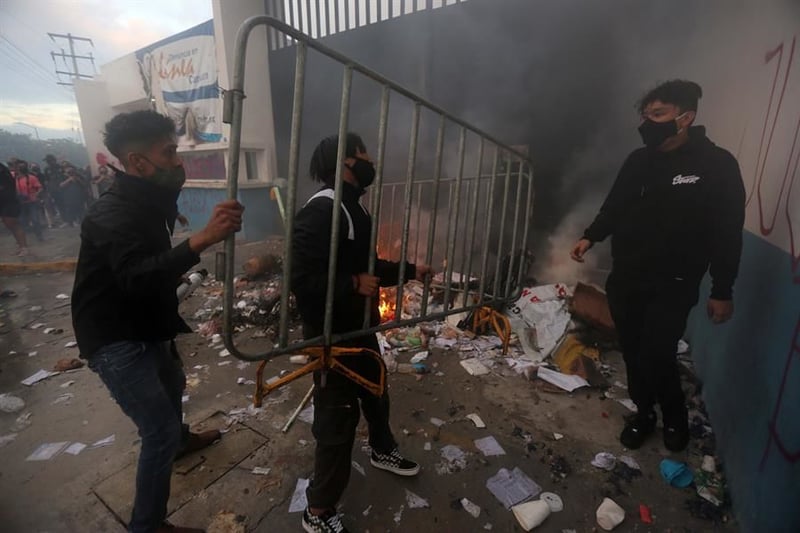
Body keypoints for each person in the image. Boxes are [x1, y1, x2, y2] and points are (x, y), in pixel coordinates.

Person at [71, 109, 245, 533]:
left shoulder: (148, 196)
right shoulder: (109, 213)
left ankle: (181, 442)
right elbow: (135, 275)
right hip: (113, 337)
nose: (178, 162)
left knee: (175, 385)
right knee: (157, 430)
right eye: (170, 153)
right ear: (138, 163)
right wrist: (201, 239)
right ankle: (146, 525)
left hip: (147, 322)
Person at [569, 80, 745, 452]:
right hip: (627, 277)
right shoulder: (638, 161)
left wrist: (722, 290)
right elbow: (614, 205)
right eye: (646, 115)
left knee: (657, 352)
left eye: (659, 114)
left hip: (675, 282)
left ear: (686, 117)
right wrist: (591, 236)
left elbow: (727, 233)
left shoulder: (717, 166)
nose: (648, 122)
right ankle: (643, 412)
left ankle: (675, 416)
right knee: (633, 350)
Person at [291, 133, 431, 533]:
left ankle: (382, 450)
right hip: (330, 335)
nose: (371, 160)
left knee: (376, 390)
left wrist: (408, 270)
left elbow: (370, 265)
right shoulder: (321, 211)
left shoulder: (356, 210)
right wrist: (352, 284)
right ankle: (317, 511)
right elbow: (301, 279)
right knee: (337, 418)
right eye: (364, 154)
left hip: (359, 327)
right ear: (345, 163)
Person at [0, 162, 28, 255]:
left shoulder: (2, 170)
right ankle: (21, 247)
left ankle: (24, 248)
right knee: (9, 224)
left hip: (8, 201)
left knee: (13, 224)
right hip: (5, 200)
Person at [14, 160, 45, 242]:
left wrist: (36, 195)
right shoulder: (15, 179)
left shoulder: (32, 178)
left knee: (35, 220)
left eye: (22, 167)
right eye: (20, 167)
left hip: (32, 202)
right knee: (22, 222)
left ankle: (39, 236)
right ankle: (23, 239)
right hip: (21, 203)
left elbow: (40, 188)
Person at [43, 154, 66, 224]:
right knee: (59, 205)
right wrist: (49, 190)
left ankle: (70, 219)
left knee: (65, 204)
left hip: (63, 188)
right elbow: (46, 181)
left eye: (48, 160)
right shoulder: (46, 169)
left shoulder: (60, 167)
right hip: (53, 190)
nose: (47, 162)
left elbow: (64, 176)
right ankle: (64, 220)